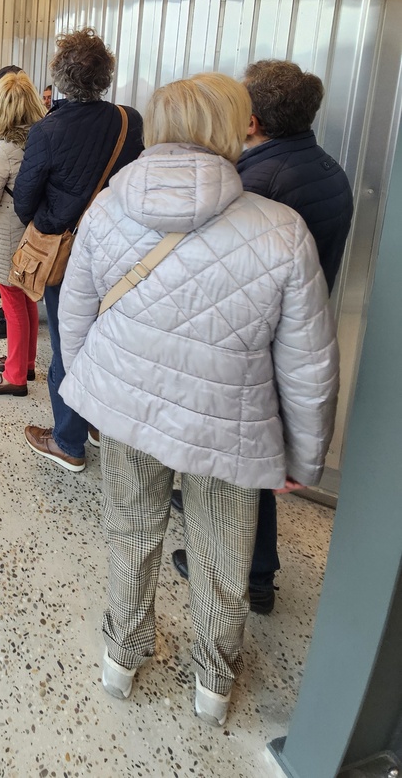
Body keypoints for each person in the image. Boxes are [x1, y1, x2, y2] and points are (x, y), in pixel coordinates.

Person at [57, 73, 339, 726]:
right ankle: (213, 683)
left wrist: (93, 395)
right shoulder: (281, 230)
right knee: (222, 557)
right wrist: (304, 458)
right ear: (233, 126)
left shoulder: (106, 208)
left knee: (130, 535)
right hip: (228, 425)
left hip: (127, 411)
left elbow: (75, 315)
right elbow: (308, 365)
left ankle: (122, 656)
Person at [170, 59, 354, 613]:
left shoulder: (257, 185)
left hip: (253, 339)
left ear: (250, 121)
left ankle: (252, 575)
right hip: (286, 328)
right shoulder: (327, 168)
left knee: (247, 459)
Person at [14, 29, 143, 466]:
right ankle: (95, 424)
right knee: (106, 339)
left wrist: (49, 220)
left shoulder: (48, 130)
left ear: (60, 77)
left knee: (67, 342)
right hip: (121, 250)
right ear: (105, 76)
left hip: (67, 254)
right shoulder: (129, 120)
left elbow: (25, 198)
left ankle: (67, 442)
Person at [0, 72, 46, 395]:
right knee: (27, 299)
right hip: (35, 234)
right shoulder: (42, 141)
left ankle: (15, 376)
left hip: (8, 235)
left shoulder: (3, 149)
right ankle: (25, 362)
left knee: (12, 302)